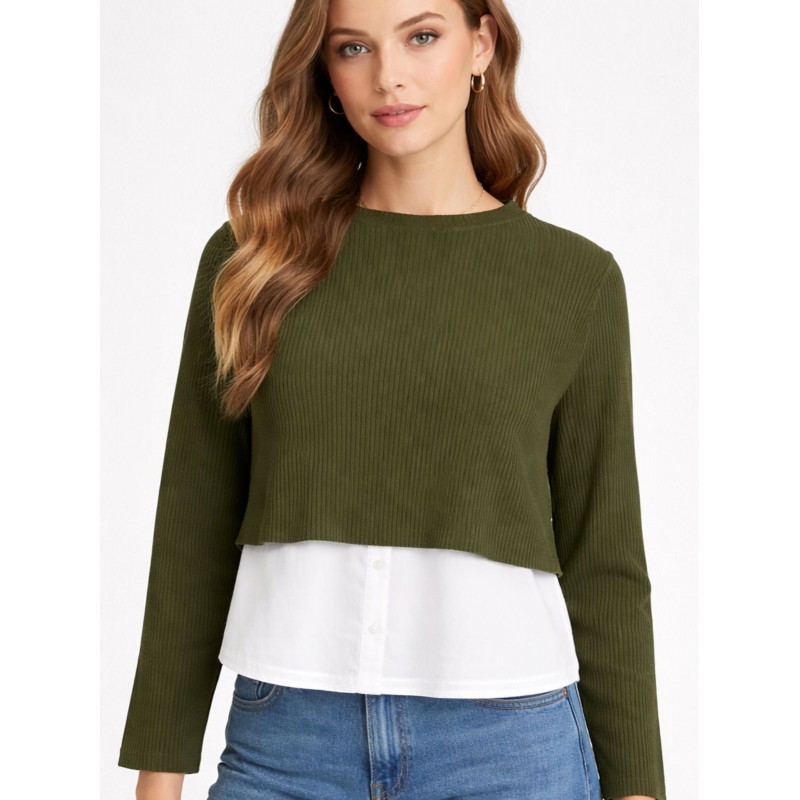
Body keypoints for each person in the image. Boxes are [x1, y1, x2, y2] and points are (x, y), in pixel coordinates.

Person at [118, 0, 668, 798]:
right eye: (353, 48)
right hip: (288, 742)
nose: (389, 76)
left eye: (422, 36)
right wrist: (159, 771)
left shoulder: (573, 280)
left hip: (508, 748)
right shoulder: (251, 261)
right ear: (325, 71)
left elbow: (604, 555)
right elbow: (193, 523)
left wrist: (639, 787)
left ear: (481, 45)